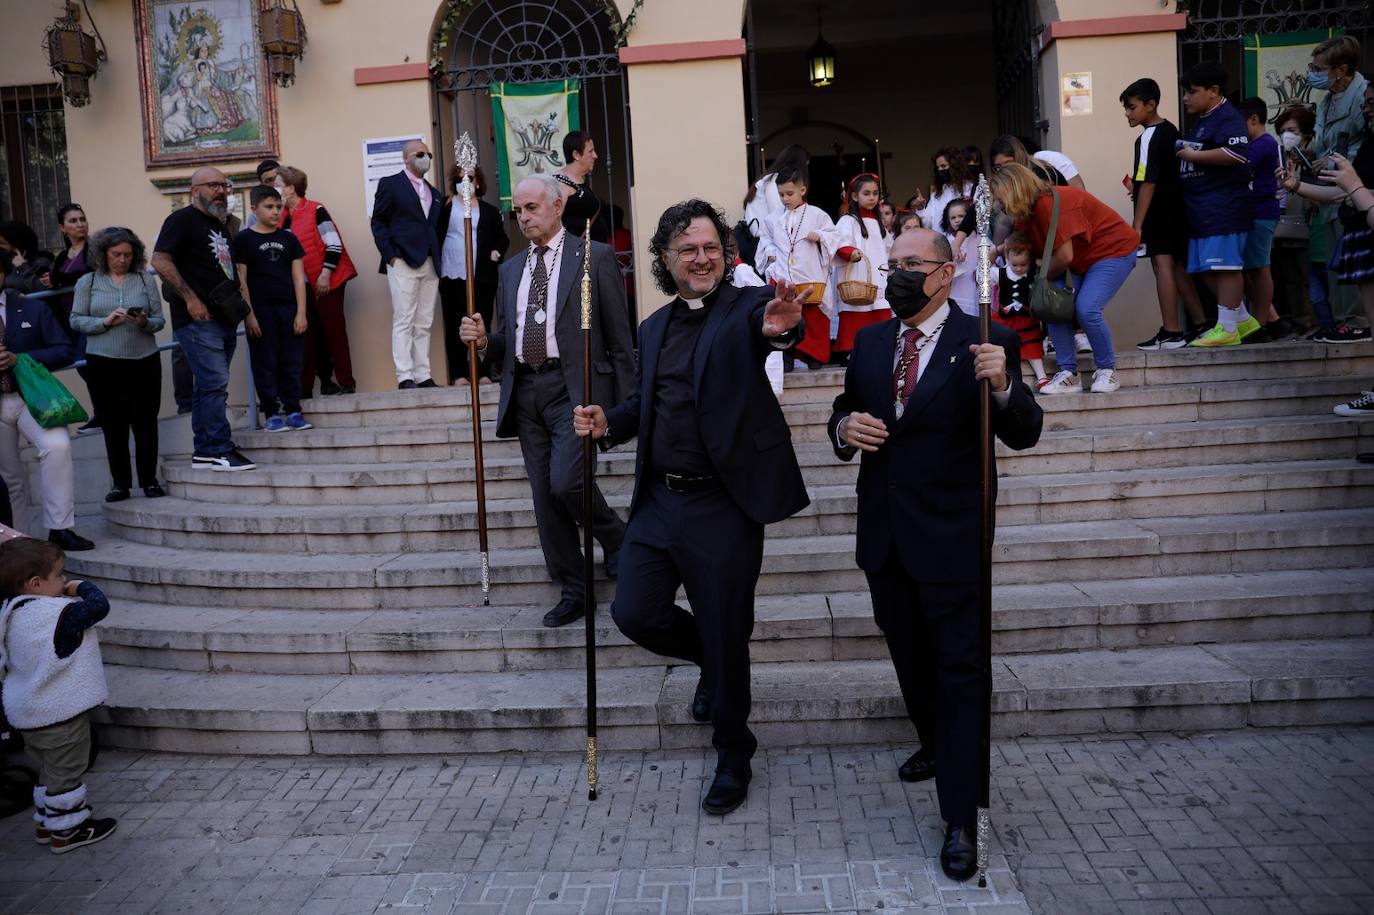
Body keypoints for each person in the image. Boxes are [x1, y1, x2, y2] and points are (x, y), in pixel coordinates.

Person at [573, 198, 808, 817]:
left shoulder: (746, 309)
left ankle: (735, 753)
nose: (702, 259)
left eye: (711, 249)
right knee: (634, 612)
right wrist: (608, 423)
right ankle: (710, 654)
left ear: (726, 255)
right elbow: (644, 406)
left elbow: (774, 326)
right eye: (688, 250)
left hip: (722, 505)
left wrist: (784, 326)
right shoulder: (654, 328)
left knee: (730, 634)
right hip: (658, 499)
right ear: (665, 260)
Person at [826, 226, 1042, 881]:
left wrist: (1003, 387)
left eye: (908, 264)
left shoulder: (988, 340)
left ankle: (960, 817)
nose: (895, 274)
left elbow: (1025, 430)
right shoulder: (868, 341)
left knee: (959, 673)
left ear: (945, 273)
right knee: (909, 654)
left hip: (953, 539)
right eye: (890, 264)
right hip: (885, 537)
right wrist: (843, 428)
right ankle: (933, 739)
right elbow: (845, 408)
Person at [458, 175, 635, 629]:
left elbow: (618, 336)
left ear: (557, 207)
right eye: (518, 210)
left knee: (566, 483)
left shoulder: (593, 257)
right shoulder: (512, 268)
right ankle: (574, 588)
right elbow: (510, 337)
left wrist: (628, 403)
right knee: (543, 497)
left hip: (573, 390)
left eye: (533, 208)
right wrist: (482, 341)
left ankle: (617, 538)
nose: (525, 217)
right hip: (526, 392)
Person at [0, 537, 116, 854]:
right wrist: (81, 587)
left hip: (27, 714)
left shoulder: (9, 612)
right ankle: (68, 830)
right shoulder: (57, 617)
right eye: (59, 575)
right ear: (37, 584)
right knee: (66, 773)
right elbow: (98, 607)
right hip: (59, 716)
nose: (63, 580)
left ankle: (44, 822)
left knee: (47, 770)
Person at [990, 163, 1139, 394]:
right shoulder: (1026, 210)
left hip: (1113, 251)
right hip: (1078, 260)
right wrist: (998, 250)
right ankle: (1068, 373)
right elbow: (1024, 240)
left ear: (1013, 191)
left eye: (1000, 197)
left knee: (1086, 309)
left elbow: (1064, 255)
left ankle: (1107, 371)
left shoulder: (1049, 203)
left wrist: (1041, 280)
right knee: (1052, 305)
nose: (999, 204)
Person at [151, 166, 255, 471]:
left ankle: (205, 450)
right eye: (212, 186)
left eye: (224, 186)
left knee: (205, 387)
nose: (221, 191)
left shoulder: (221, 224)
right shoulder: (181, 220)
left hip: (224, 316)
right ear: (194, 190)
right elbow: (160, 259)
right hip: (197, 319)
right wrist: (191, 298)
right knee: (214, 383)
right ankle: (221, 448)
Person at [1283, 79, 1374, 418]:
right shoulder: (1368, 147)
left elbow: (1357, 193)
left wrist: (1357, 191)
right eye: (1365, 103)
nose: (1366, 109)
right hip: (1362, 237)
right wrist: (1297, 185)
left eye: (1372, 103)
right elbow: (1343, 193)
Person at [0, 250, 91, 550]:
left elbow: (63, 350)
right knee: (9, 477)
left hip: (31, 398)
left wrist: (20, 359)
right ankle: (19, 541)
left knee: (58, 446)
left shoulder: (32, 308)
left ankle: (60, 528)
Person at [69, 227, 167, 502]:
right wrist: (104, 322)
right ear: (103, 254)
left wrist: (143, 322)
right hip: (103, 362)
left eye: (127, 254)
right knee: (113, 424)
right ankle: (120, 484)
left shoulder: (145, 280)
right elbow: (76, 320)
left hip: (144, 359)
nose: (122, 259)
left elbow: (160, 321)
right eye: (116, 254)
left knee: (146, 422)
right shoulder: (87, 282)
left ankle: (149, 480)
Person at [1176, 62, 1260, 347]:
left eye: (1192, 92)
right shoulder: (1203, 120)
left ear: (1213, 91)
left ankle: (1226, 327)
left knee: (1226, 268)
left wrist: (1192, 156)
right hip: (1202, 212)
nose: (1186, 98)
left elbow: (1236, 154)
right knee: (1204, 269)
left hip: (1224, 208)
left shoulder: (1228, 118)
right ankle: (1241, 318)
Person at [1120, 78, 1208, 349]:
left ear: (1150, 105)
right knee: (1178, 267)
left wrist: (1137, 224)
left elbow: (1147, 180)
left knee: (1163, 267)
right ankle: (1201, 323)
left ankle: (1171, 331)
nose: (1128, 114)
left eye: (1132, 108)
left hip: (1158, 214)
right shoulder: (1171, 130)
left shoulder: (1147, 136)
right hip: (1177, 210)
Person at [235, 185, 312, 433]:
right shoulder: (244, 239)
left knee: (292, 360)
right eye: (269, 207)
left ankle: (293, 410)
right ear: (254, 209)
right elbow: (241, 280)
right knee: (265, 361)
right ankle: (271, 412)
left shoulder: (288, 238)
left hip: (288, 308)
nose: (276, 211)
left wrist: (301, 312)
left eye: (279, 206)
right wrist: (250, 315)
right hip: (261, 311)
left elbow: (299, 278)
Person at [277, 166, 358, 396]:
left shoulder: (315, 209)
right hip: (301, 285)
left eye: (278, 184)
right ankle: (305, 389)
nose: (274, 189)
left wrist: (325, 274)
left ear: (291, 189)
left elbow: (333, 244)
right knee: (306, 335)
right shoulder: (282, 217)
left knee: (334, 331)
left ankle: (346, 383)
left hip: (326, 279)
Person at [370, 139, 443, 389]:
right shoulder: (390, 184)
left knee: (424, 321)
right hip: (402, 260)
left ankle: (423, 374)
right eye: (420, 154)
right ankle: (405, 375)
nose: (426, 158)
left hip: (430, 261)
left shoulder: (435, 193)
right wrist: (391, 255)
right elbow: (378, 222)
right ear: (406, 158)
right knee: (404, 318)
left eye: (429, 154)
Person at [1311, 36, 1369, 338]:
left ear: (1341, 69)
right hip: (1329, 193)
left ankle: (1358, 322)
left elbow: (1361, 145)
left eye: (1319, 68)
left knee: (1355, 260)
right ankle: (1340, 321)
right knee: (1337, 261)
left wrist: (1332, 164)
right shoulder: (1328, 99)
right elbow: (1324, 141)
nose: (1313, 73)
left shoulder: (1361, 95)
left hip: (1352, 190)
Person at [754, 163, 834, 370]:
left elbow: (834, 236)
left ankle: (815, 356)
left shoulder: (817, 215)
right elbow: (765, 240)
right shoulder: (772, 219)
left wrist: (821, 237)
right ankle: (786, 357)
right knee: (784, 315)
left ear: (802, 190)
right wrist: (770, 252)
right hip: (783, 273)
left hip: (810, 272)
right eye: (781, 195)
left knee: (814, 317)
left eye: (789, 193)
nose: (785, 199)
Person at [438, 164, 509, 385]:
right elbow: (434, 231)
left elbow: (502, 238)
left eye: (470, 177)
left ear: (478, 181)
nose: (465, 182)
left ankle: (484, 372)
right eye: (460, 178)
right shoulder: (446, 206)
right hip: (452, 273)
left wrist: (495, 253)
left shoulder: (488, 210)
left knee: (482, 322)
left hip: (482, 276)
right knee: (454, 323)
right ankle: (459, 374)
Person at [1235, 96, 1289, 342]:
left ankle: (1260, 326)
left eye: (1240, 124)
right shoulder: (1264, 143)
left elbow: (1238, 167)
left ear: (1254, 119)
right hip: (1254, 213)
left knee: (1259, 269)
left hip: (1262, 213)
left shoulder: (1262, 144)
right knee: (1250, 269)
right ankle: (1270, 321)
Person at [47, 205, 100, 434]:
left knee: (92, 365)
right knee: (83, 366)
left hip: (91, 316)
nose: (80, 224)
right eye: (73, 221)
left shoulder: (95, 249)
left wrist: (57, 279)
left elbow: (89, 274)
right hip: (70, 319)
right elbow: (56, 281)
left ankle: (105, 415)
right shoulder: (61, 256)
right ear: (62, 228)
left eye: (82, 219)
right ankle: (102, 414)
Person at [833, 174, 894, 360]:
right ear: (854, 196)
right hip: (857, 273)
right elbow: (839, 242)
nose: (872, 197)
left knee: (880, 307)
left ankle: (881, 348)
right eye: (866, 193)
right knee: (857, 309)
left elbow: (889, 248)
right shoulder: (847, 220)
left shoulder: (879, 222)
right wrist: (849, 252)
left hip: (878, 275)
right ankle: (852, 349)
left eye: (875, 193)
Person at [995, 233, 1048, 389]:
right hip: (1005, 318)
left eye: (1023, 265)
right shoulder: (1000, 273)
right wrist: (992, 255)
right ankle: (1005, 380)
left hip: (1026, 319)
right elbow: (979, 275)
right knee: (1002, 345)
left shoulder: (1034, 273)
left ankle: (1042, 377)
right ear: (1007, 259)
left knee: (1032, 346)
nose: (1018, 268)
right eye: (1014, 265)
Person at [555, 131, 609, 243]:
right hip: (578, 255)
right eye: (590, 151)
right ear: (576, 155)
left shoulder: (579, 181)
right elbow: (553, 220)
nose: (595, 156)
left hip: (592, 253)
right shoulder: (561, 182)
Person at [919, 147, 974, 231]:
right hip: (940, 241)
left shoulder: (970, 188)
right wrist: (920, 209)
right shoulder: (937, 194)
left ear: (955, 166)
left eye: (943, 166)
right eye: (938, 168)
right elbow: (927, 221)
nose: (940, 170)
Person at [940, 198, 978, 315]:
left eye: (961, 216)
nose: (957, 220)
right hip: (952, 293)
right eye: (953, 217)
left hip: (973, 294)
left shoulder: (980, 240)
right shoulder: (944, 242)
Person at [989, 135, 1072, 187]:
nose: (1005, 171)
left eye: (1009, 164)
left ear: (1019, 158)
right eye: (998, 167)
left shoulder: (1041, 176)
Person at [0, 222, 53, 295]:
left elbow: (43, 288)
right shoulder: (6, 262)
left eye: (2, 243)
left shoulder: (41, 262)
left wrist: (23, 267)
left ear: (16, 244)